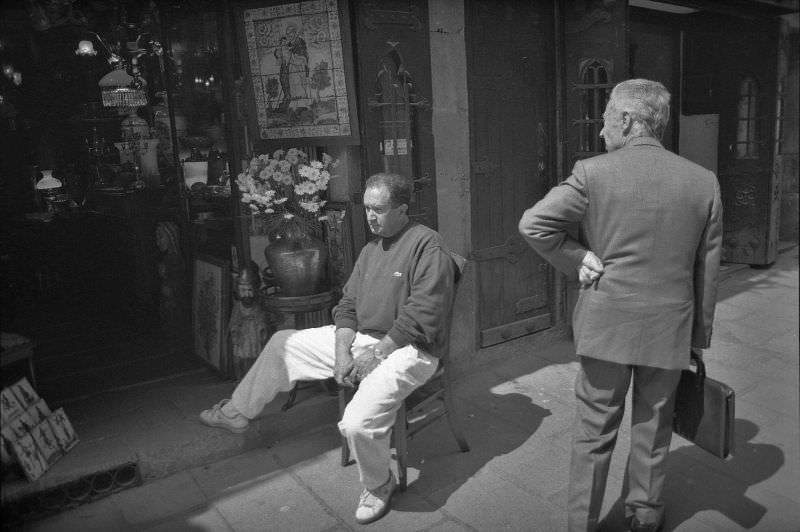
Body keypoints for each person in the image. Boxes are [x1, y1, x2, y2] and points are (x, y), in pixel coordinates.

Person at [518, 79, 722, 532]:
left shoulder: (593, 173)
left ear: (627, 120)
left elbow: (534, 224)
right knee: (654, 429)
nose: (601, 130)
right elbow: (706, 272)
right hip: (670, 329)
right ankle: (645, 518)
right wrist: (698, 340)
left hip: (606, 326)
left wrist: (577, 257)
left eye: (607, 116)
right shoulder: (703, 181)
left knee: (593, 432)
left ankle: (581, 523)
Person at [200, 172, 457, 525]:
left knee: (356, 423)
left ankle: (379, 483)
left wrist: (374, 354)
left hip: (409, 350)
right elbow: (347, 305)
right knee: (283, 343)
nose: (370, 217)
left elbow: (423, 315)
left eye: (378, 210)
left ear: (402, 209)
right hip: (366, 339)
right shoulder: (370, 250)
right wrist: (342, 352)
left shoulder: (427, 245)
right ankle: (238, 412)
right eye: (367, 208)